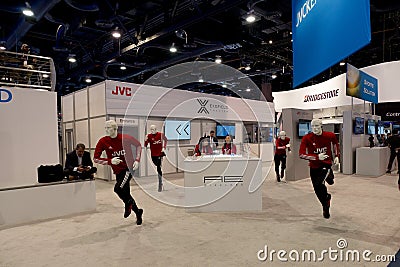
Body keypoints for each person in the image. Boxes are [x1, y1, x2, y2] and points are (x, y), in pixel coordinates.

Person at [94, 120, 143, 225]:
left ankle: (128, 204)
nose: (106, 130)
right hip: (118, 171)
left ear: (115, 128)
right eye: (105, 128)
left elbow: (138, 145)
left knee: (118, 188)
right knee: (126, 194)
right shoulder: (103, 141)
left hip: (129, 168)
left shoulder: (125, 138)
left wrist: (137, 159)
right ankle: (138, 212)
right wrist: (110, 161)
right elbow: (96, 159)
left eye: (108, 127)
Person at [299, 119, 340, 219]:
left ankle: (329, 175)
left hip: (325, 164)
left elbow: (335, 144)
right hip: (314, 166)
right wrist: (317, 157)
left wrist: (337, 156)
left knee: (319, 183)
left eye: (317, 126)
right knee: (317, 189)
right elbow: (301, 154)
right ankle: (326, 203)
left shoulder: (329, 135)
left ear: (321, 126)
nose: (315, 128)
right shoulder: (307, 138)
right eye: (313, 126)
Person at [144, 125, 168, 192]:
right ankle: (160, 180)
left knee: (158, 167)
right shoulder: (149, 136)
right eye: (151, 129)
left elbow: (165, 140)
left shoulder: (160, 134)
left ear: (156, 129)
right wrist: (145, 140)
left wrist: (164, 148)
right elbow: (145, 145)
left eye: (153, 129)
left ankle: (160, 183)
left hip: (160, 153)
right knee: (156, 165)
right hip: (153, 154)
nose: (152, 130)